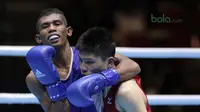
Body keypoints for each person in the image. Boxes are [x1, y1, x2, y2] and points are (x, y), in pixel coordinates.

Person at [25, 8, 141, 112]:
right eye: (45, 26)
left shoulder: (88, 54)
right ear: (38, 38)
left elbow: (133, 66)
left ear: (68, 31)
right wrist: (52, 84)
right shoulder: (35, 78)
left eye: (57, 24)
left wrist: (102, 79)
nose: (51, 29)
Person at [66, 27, 151, 112]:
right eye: (80, 60)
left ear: (110, 62)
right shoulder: (97, 86)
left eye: (89, 62)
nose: (82, 67)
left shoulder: (126, 91)